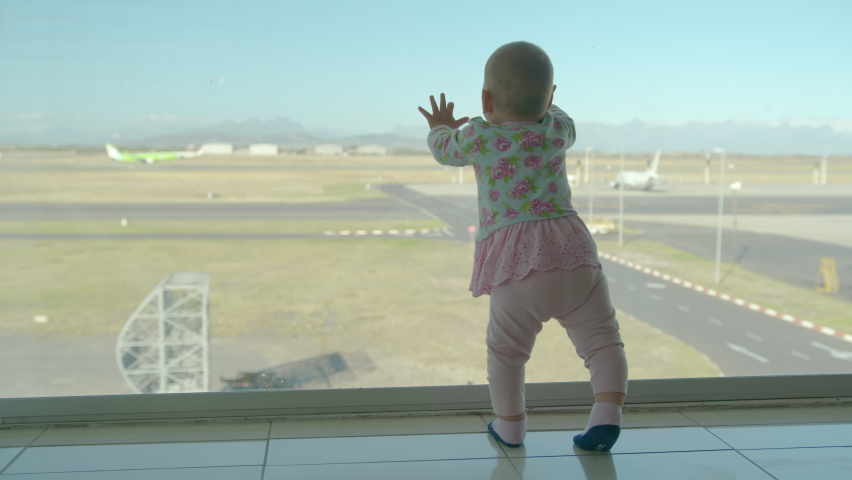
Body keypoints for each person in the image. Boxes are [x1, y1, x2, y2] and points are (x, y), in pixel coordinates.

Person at [417, 41, 628, 451]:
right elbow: (563, 116)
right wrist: (547, 102)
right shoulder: (556, 129)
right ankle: (606, 416)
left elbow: (445, 150)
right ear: (550, 97)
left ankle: (511, 426)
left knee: (507, 352)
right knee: (603, 340)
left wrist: (440, 127)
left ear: (485, 100)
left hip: (518, 264)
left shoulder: (480, 134)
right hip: (574, 253)